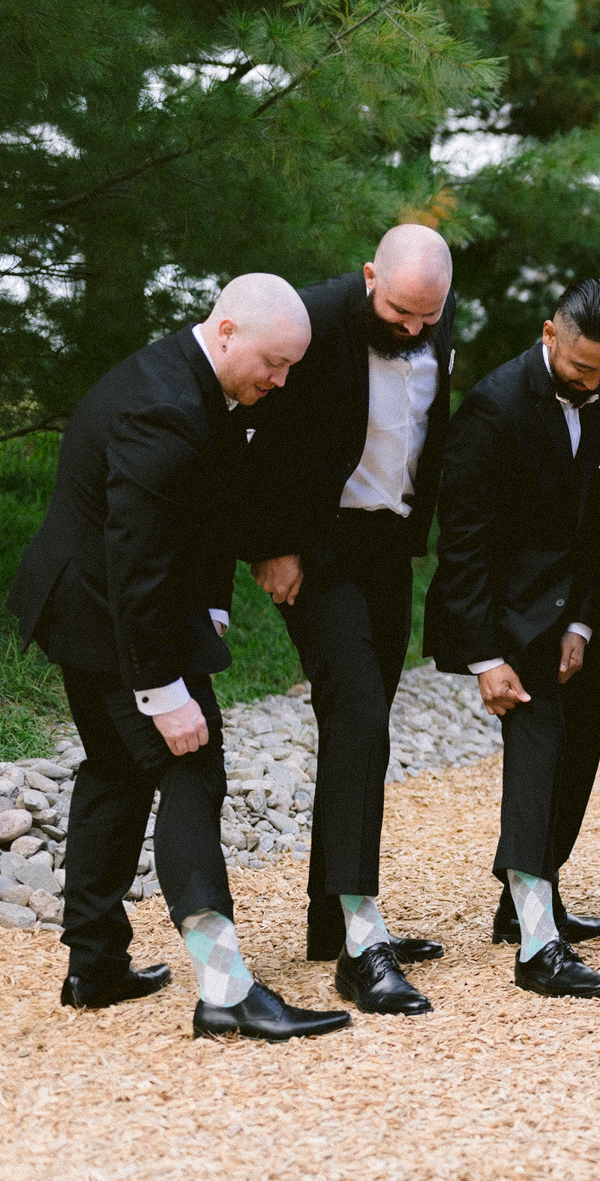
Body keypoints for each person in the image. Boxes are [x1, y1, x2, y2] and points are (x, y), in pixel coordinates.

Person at [8, 274, 350, 1040]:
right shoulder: (162, 407)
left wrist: (215, 606)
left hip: (107, 601)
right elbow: (137, 564)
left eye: (292, 367)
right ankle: (225, 987)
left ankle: (94, 966)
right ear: (226, 330)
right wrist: (162, 689)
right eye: (273, 363)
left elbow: (201, 513)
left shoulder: (201, 380)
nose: (281, 380)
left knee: (116, 772)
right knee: (191, 765)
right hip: (106, 612)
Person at [244, 223, 457, 1015]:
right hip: (316, 546)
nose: (410, 329)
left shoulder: (434, 312)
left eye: (425, 319)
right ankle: (361, 943)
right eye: (399, 311)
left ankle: (329, 925)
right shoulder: (311, 318)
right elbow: (260, 432)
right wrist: (271, 545)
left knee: (365, 724)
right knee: (360, 713)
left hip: (388, 547)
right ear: (371, 276)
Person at [425, 277, 600, 999]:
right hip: (508, 618)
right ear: (550, 335)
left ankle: (523, 906)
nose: (596, 383)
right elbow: (464, 543)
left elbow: (597, 521)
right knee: (536, 763)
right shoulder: (493, 406)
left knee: (581, 749)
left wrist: (582, 621)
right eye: (583, 369)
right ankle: (537, 949)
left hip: (568, 608)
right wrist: (486, 655)